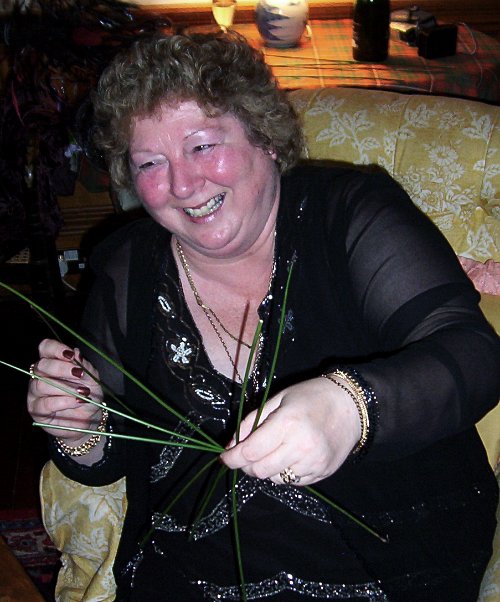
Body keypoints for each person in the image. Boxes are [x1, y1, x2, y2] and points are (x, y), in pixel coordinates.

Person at [27, 32, 499, 601]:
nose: (182, 184)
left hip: (383, 552)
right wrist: (78, 430)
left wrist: (350, 407)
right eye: (151, 162)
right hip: (195, 568)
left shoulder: (351, 213)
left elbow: (472, 351)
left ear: (265, 137)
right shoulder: (127, 269)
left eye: (201, 146)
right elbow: (115, 454)